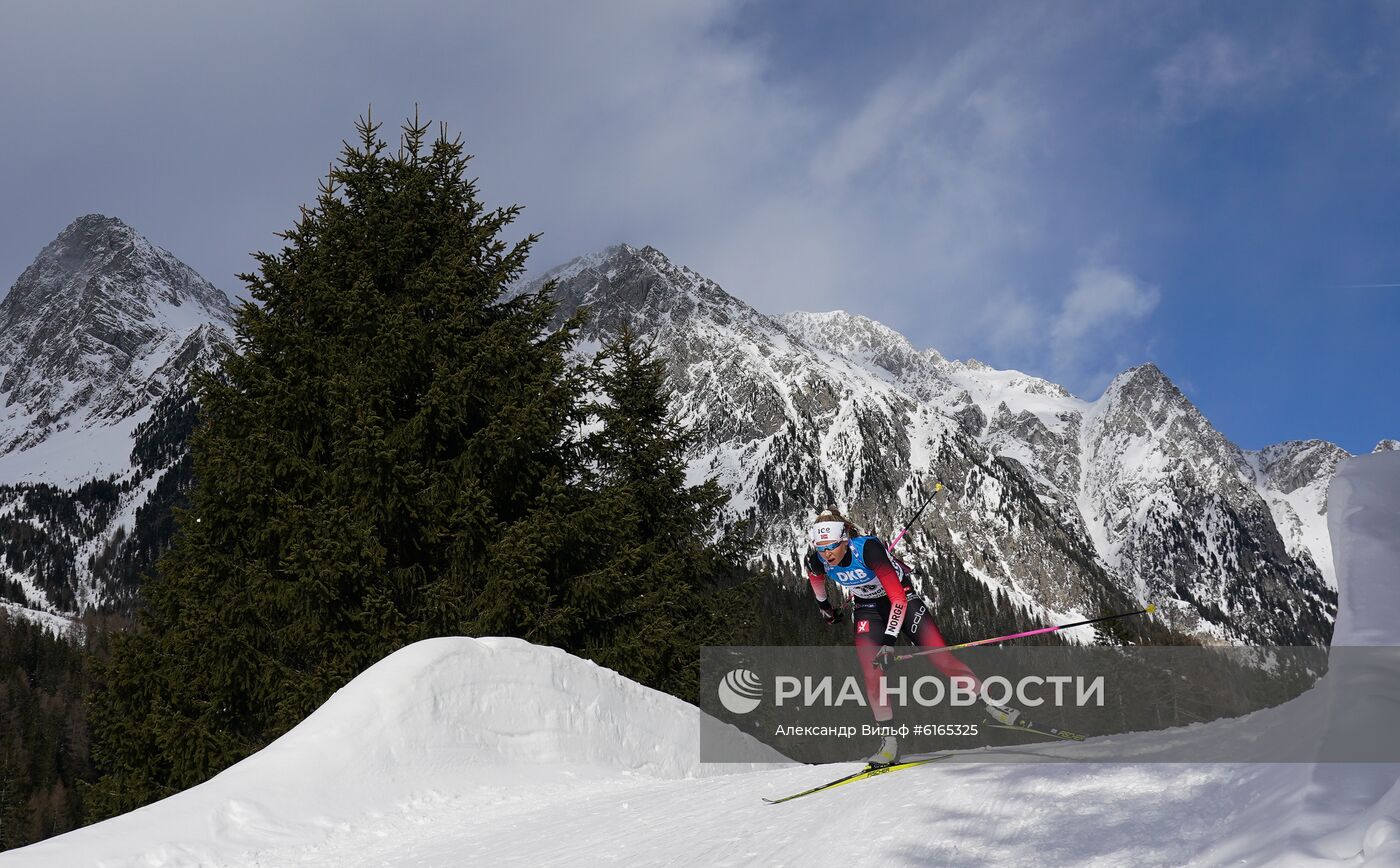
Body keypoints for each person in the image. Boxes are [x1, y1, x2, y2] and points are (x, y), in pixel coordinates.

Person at [805, 508, 1017, 765]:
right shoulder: (818, 560)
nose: (827, 553)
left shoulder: (869, 549)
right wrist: (825, 608)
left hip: (902, 600)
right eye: (821, 547)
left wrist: (889, 644)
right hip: (867, 609)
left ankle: (993, 704)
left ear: (845, 540)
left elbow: (897, 599)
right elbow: (816, 580)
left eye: (832, 547)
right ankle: (889, 743)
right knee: (872, 676)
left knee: (941, 658)